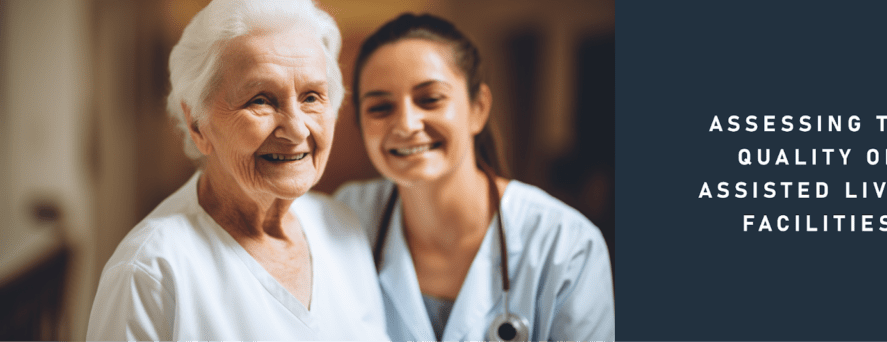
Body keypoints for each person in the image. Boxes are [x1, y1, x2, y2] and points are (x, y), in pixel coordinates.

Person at [86, 1, 387, 340]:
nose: (297, 130)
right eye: (261, 99)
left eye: (312, 97)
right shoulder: (150, 272)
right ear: (198, 124)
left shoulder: (342, 227)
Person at [334, 13, 615, 341]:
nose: (406, 124)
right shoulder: (344, 216)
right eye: (380, 107)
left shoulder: (565, 243)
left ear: (478, 108)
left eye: (430, 99)